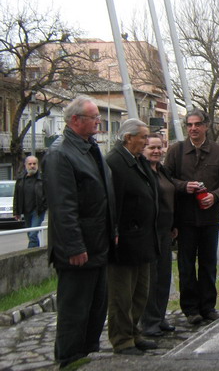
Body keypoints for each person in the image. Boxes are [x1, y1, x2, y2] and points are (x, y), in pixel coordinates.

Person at [42, 95, 117, 368]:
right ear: (75, 120)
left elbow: (103, 195)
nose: (99, 122)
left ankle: (88, 359)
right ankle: (70, 360)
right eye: (94, 117)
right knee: (75, 312)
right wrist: (74, 246)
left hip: (98, 245)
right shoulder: (60, 154)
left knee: (95, 311)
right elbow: (63, 207)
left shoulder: (90, 148)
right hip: (78, 251)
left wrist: (112, 229)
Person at [165, 109, 219, 325]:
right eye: (189, 125)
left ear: (206, 126)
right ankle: (190, 309)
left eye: (197, 124)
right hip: (185, 218)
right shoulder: (176, 151)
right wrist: (183, 186)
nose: (193, 128)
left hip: (210, 217)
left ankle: (208, 306)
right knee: (186, 265)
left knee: (208, 263)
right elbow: (166, 178)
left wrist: (215, 196)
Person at [106, 118, 159, 355]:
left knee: (140, 292)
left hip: (142, 239)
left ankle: (134, 333)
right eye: (143, 137)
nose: (146, 142)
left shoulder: (138, 161)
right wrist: (114, 231)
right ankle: (122, 339)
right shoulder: (114, 163)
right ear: (129, 138)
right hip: (125, 240)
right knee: (122, 295)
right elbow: (111, 202)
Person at [139, 133, 177, 337]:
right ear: (143, 149)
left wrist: (174, 224)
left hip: (165, 231)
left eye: (159, 147)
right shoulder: (141, 171)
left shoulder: (163, 171)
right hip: (148, 232)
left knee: (163, 276)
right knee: (150, 279)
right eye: (151, 147)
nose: (156, 151)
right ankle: (149, 321)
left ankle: (160, 317)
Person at [13, 156, 47, 248]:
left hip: (38, 211)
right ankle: (37, 251)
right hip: (26, 211)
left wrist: (44, 206)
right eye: (30, 164)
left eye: (34, 164)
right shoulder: (20, 179)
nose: (32, 166)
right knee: (30, 235)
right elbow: (16, 196)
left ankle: (30, 253)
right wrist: (16, 212)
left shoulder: (42, 179)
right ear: (25, 165)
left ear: (37, 165)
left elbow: (48, 194)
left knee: (33, 234)